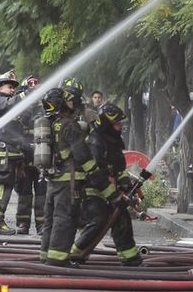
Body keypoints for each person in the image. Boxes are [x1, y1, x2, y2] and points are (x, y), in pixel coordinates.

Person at [39, 84, 107, 267]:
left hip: (53, 179)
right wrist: (95, 173)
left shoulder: (52, 123)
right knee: (65, 219)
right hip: (69, 181)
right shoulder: (69, 125)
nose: (74, 104)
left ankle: (46, 255)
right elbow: (82, 153)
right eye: (71, 101)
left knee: (50, 220)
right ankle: (58, 259)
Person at [71, 103, 142, 266]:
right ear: (108, 124)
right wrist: (115, 196)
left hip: (108, 189)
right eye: (117, 123)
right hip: (91, 189)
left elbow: (119, 168)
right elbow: (97, 175)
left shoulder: (114, 141)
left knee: (121, 216)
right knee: (99, 218)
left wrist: (124, 183)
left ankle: (129, 257)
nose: (121, 126)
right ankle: (76, 252)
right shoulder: (95, 142)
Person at [0, 70, 28, 235]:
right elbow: (12, 104)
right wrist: (26, 94)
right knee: (1, 188)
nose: (12, 90)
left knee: (5, 188)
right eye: (10, 87)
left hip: (8, 154)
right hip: (2, 154)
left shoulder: (4, 103)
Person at [15, 75, 46, 234]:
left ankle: (41, 225)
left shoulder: (46, 107)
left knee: (42, 194)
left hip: (43, 158)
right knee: (25, 193)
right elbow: (17, 128)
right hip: (24, 158)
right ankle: (23, 223)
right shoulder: (21, 108)